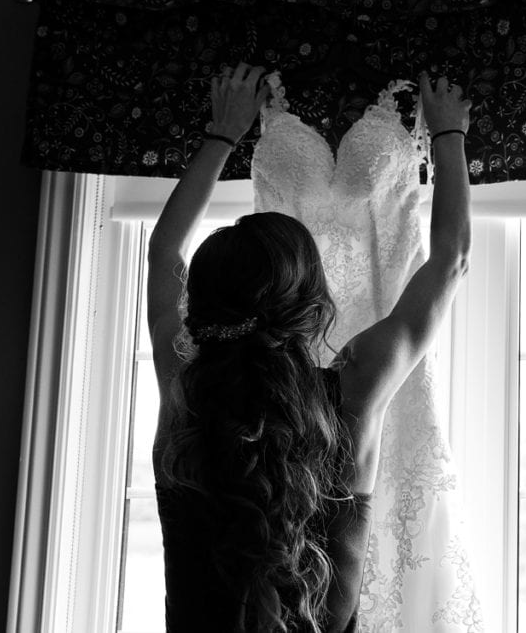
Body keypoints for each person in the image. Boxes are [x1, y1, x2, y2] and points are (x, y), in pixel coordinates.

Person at [148, 62, 472, 632]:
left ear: (202, 300)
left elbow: (163, 252)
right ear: (315, 304)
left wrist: (223, 133)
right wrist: (448, 133)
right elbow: (450, 258)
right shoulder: (356, 385)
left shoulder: (185, 389)